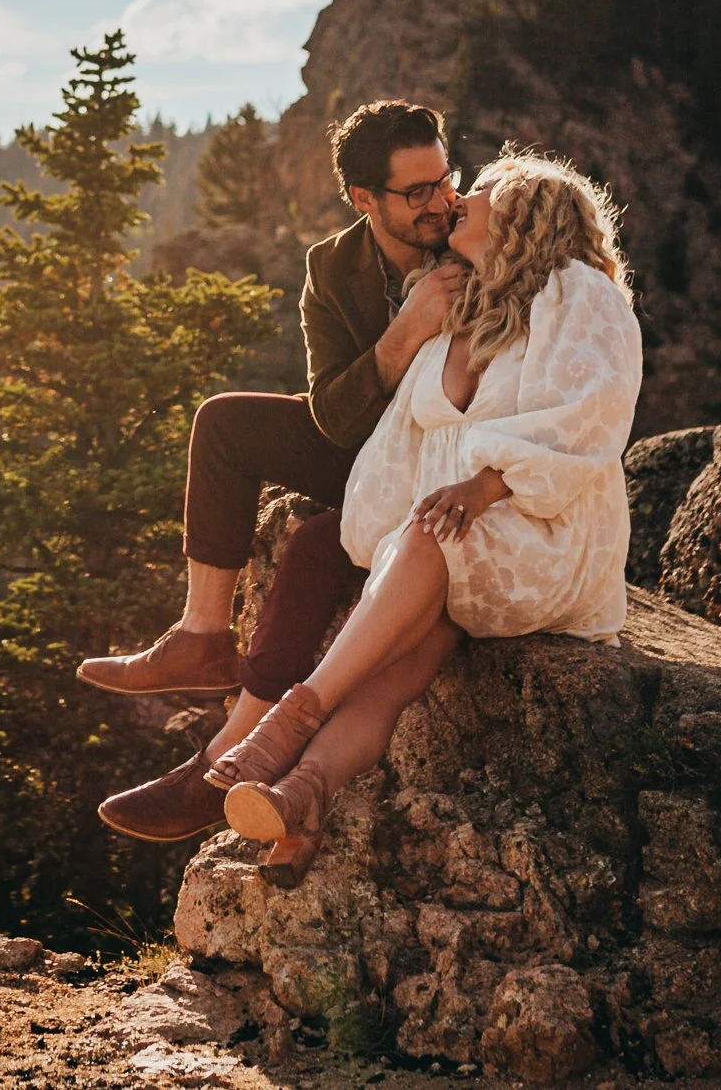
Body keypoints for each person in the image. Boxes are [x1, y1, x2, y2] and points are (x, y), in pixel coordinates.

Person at [204, 148, 643, 885]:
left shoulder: (576, 291)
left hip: (546, 533)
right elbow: (397, 449)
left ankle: (294, 713)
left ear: (525, 211)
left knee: (423, 540)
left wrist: (485, 485)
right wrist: (381, 545)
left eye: (482, 189)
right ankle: (300, 798)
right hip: (456, 541)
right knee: (400, 662)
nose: (458, 197)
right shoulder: (458, 311)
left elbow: (591, 413)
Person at [78, 100, 467, 843]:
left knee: (319, 545)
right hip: (366, 442)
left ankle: (219, 763)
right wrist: (405, 331)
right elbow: (334, 416)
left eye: (443, 180)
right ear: (363, 199)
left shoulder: (473, 241)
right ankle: (201, 634)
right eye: (415, 193)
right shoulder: (333, 268)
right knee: (223, 421)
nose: (439, 203)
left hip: (444, 458)